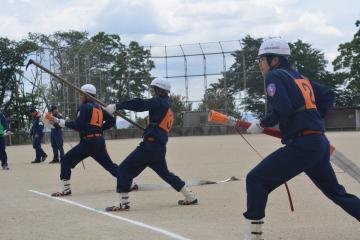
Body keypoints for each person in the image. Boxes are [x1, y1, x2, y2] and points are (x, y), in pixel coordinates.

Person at [242, 38, 360, 240]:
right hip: (317, 142)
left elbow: (283, 108)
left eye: (262, 59)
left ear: (275, 60)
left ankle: (253, 236)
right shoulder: (299, 77)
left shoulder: (274, 76)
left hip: (303, 145)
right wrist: (312, 119)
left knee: (256, 179)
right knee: (337, 193)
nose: (260, 64)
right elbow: (328, 94)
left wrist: (261, 123)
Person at [104, 77, 198, 212]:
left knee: (123, 169)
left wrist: (117, 106)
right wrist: (150, 129)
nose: (152, 92)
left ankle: (123, 204)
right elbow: (157, 125)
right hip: (158, 147)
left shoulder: (159, 102)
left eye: (153, 89)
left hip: (150, 146)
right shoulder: (165, 105)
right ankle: (190, 196)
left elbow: (139, 104)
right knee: (165, 174)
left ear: (160, 90)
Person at [49, 84, 119, 197]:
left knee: (66, 160)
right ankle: (128, 182)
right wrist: (99, 129)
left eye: (81, 94)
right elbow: (112, 120)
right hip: (99, 141)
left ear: (87, 95)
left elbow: (78, 126)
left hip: (89, 142)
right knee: (109, 165)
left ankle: (65, 189)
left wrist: (61, 122)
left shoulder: (84, 107)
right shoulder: (99, 108)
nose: (80, 97)